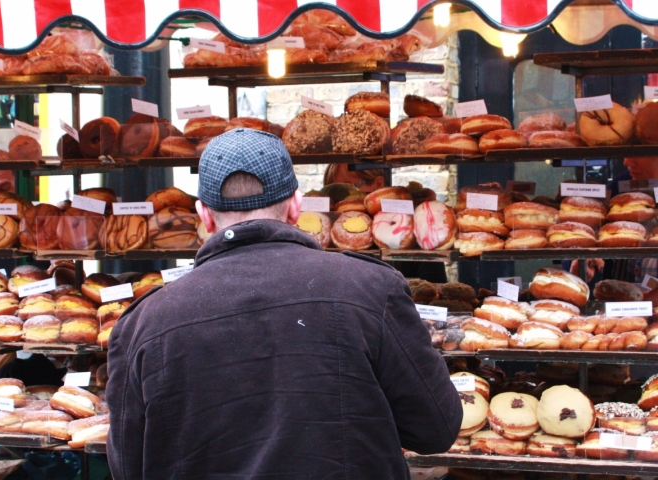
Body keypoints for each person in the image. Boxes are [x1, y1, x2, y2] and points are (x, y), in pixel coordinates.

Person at [107, 129, 462, 479]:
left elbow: (127, 468)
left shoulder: (144, 322)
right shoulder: (370, 289)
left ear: (204, 216)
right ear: (295, 206)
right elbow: (436, 429)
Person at [324, 163, 449, 282]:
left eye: (346, 189)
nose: (337, 200)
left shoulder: (409, 232)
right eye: (331, 190)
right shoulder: (329, 239)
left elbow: (434, 285)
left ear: (378, 184)